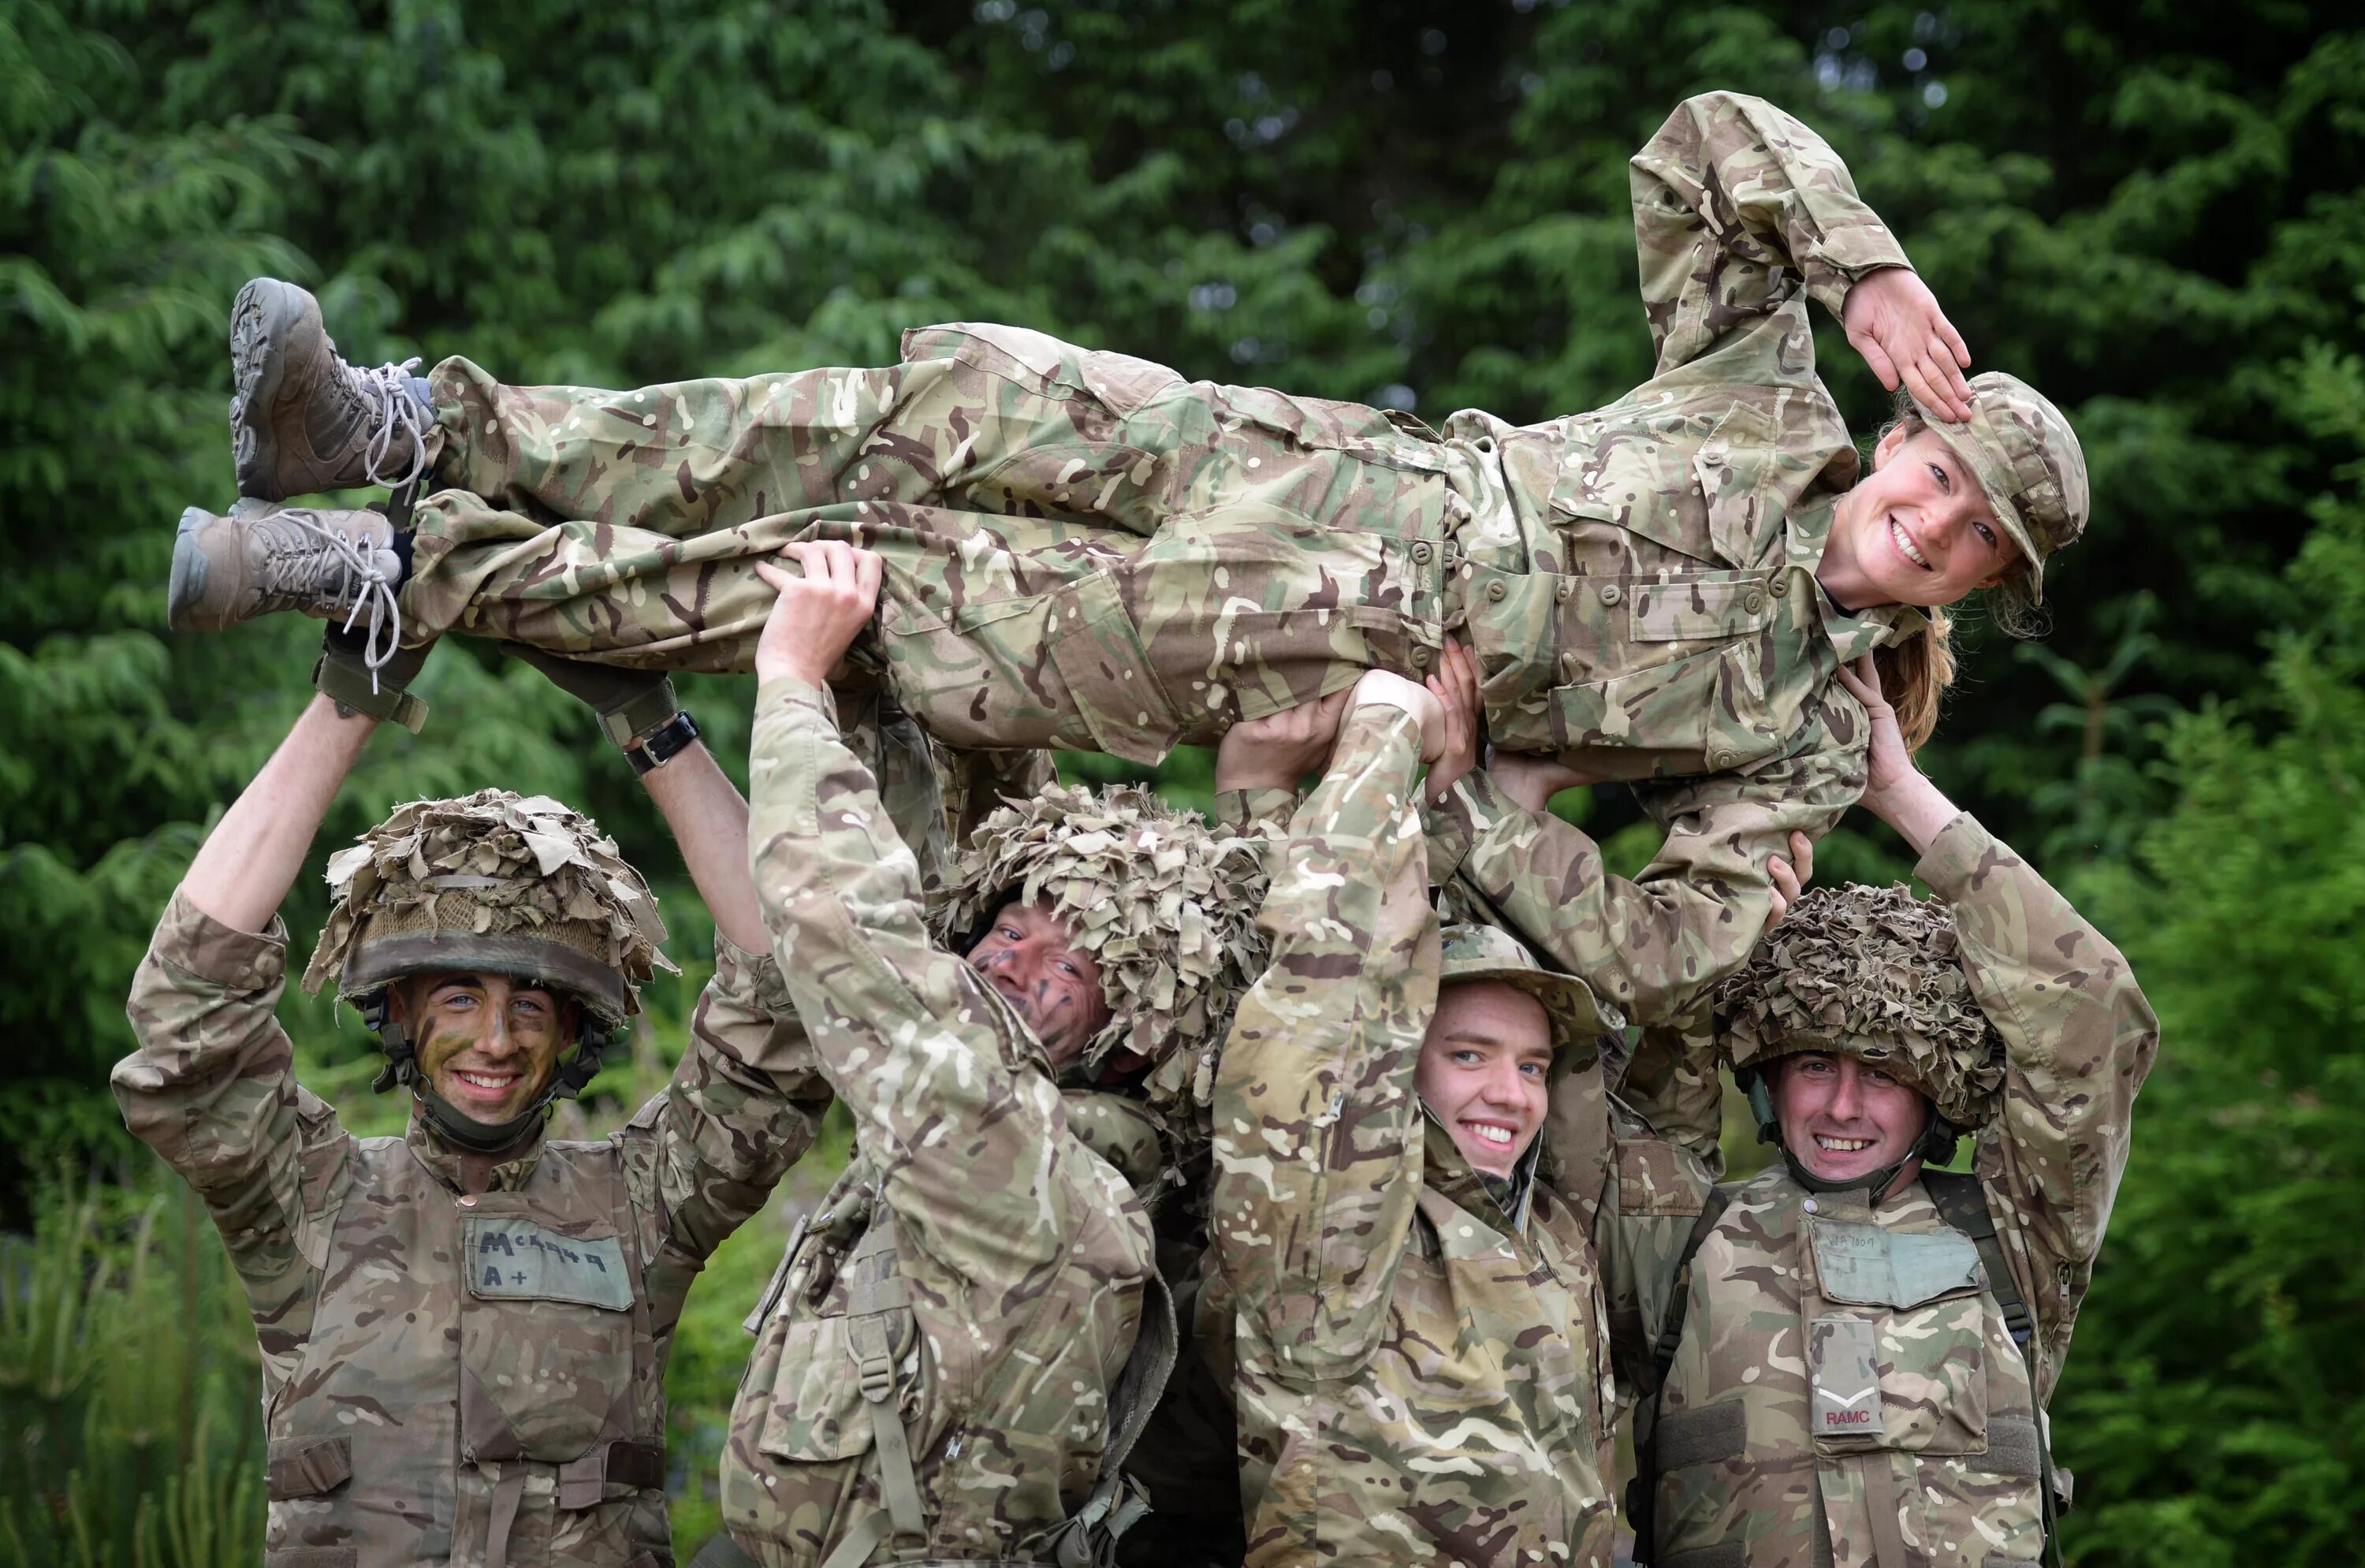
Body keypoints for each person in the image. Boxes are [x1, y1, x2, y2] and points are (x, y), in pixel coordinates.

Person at [166, 88, 2088, 1026]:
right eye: (1932, 475)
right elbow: (1697, 145)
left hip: (1274, 643)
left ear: (1967, 594)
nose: (1916, 522)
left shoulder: (1799, 735)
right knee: (941, 386)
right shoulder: (1770, 396)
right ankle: (424, 429)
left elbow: (1682, 955)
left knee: (864, 587)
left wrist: (1470, 810)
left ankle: (391, 576)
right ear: (1905, 432)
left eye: (1956, 547)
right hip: (1304, 458)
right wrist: (1860, 265)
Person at [114, 661, 828, 1566]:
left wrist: (650, 723)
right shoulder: (311, 1199)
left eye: (530, 1007)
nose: (495, 1040)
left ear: (570, 1030)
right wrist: (353, 697)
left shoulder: (641, 1204)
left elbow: (788, 1009)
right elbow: (187, 1011)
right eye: (458, 998)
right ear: (403, 1011)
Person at [703, 541, 1267, 1568]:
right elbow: (934, 905)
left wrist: (789, 684)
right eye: (1009, 926)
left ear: (1138, 1043)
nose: (1012, 957)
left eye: (1071, 958)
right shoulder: (1043, 1135)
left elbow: (850, 932)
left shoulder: (1036, 1174)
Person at [1620, 657, 2160, 1568]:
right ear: (1766, 1074)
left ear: (1934, 1091)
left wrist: (1899, 792)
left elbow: (2092, 1011)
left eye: (1881, 1075)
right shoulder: (1678, 1238)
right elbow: (1652, 1027)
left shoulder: (2014, 1238)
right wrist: (1723, 895)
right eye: (1815, 1065)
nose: (1840, 1105)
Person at [1201, 669, 1719, 1566]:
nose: (1511, 1095)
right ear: (1398, 1062)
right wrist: (1375, 734)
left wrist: (1487, 801)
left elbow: (1648, 1109)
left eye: (1530, 1067)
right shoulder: (1343, 1226)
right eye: (1469, 1056)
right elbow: (1321, 991)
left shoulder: (1550, 1229)